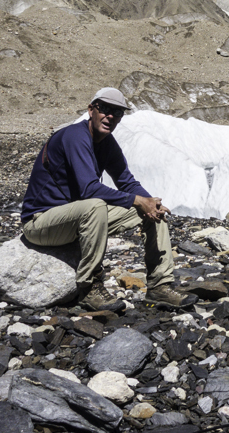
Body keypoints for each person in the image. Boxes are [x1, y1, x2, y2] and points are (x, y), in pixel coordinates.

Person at [21, 87, 197, 311]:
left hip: (74, 219)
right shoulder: (75, 136)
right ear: (91, 110)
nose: (110, 116)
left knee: (153, 212)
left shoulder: (107, 143)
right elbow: (89, 189)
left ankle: (160, 286)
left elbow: (126, 182)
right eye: (104, 109)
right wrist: (137, 200)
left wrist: (150, 203)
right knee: (95, 205)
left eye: (117, 112)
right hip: (40, 222)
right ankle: (89, 287)